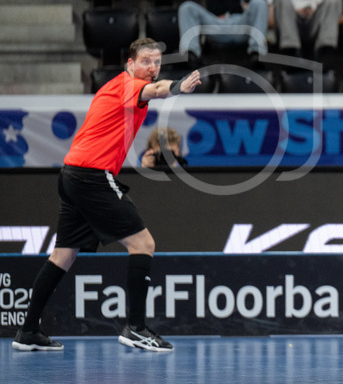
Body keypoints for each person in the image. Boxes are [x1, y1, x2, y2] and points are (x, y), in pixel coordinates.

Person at [12, 39, 201, 353]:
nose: (152, 68)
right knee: (143, 244)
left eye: (156, 62)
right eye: (145, 61)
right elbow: (156, 90)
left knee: (63, 256)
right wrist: (179, 86)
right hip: (91, 176)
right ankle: (136, 328)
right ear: (130, 64)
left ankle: (28, 330)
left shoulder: (121, 87)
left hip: (72, 174)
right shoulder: (128, 85)